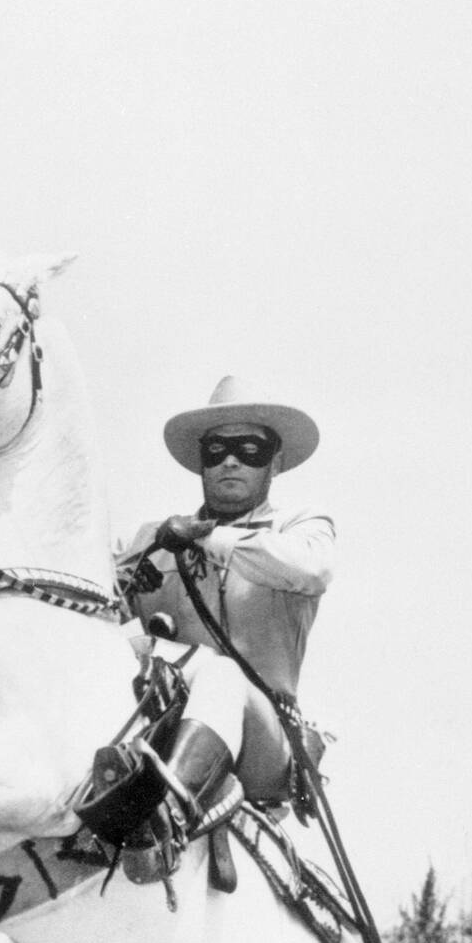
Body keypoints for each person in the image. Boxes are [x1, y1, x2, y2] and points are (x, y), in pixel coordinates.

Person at [80, 376, 334, 886]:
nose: (231, 462)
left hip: (262, 737)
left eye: (249, 449)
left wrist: (210, 538)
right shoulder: (154, 537)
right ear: (202, 463)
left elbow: (311, 569)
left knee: (219, 676)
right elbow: (97, 616)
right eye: (217, 450)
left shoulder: (301, 527)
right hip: (165, 719)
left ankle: (166, 819)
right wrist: (125, 589)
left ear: (275, 462)